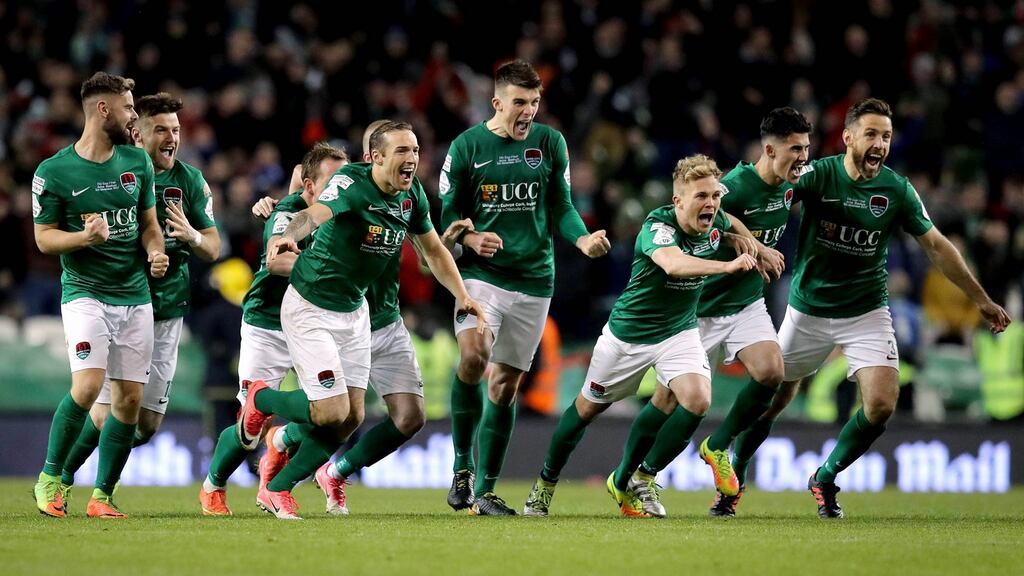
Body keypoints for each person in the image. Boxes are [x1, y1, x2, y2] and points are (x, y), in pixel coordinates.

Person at [238, 121, 485, 519]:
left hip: (357, 311)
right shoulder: (351, 183)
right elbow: (315, 213)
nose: (413, 159)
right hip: (311, 305)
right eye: (403, 151)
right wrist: (291, 234)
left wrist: (464, 295)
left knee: (350, 418)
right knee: (331, 411)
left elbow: (434, 252)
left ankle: (280, 488)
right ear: (377, 157)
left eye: (416, 150)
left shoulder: (411, 196)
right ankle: (260, 398)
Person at [775, 98, 1007, 518]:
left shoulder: (896, 190)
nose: (880, 143)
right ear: (848, 137)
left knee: (881, 403)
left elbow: (936, 245)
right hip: (808, 309)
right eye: (871, 134)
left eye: (885, 135)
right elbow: (774, 190)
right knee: (771, 397)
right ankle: (731, 473)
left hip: (866, 311)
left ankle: (825, 476)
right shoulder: (819, 174)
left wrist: (980, 298)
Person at [522, 154, 758, 517]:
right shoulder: (657, 227)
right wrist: (727, 265)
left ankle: (636, 478)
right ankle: (544, 485)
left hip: (678, 331)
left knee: (696, 400)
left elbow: (731, 223)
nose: (711, 203)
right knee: (586, 409)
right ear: (677, 201)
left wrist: (757, 246)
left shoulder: (716, 221)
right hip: (629, 335)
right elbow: (674, 264)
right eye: (701, 197)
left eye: (715, 195)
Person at [440, 59, 610, 515]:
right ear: (497, 102)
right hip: (481, 277)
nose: (528, 111)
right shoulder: (466, 147)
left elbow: (562, 206)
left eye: (534, 102)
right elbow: (446, 216)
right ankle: (462, 468)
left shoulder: (551, 143)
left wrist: (582, 238)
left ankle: (488, 490)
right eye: (519, 102)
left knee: (505, 387)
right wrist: (472, 237)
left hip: (535, 281)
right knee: (474, 355)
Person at [635, 107, 811, 517]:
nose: (803, 158)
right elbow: (713, 217)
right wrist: (753, 242)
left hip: (745, 302)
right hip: (701, 305)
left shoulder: (788, 185)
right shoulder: (734, 185)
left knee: (771, 372)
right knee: (666, 401)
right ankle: (638, 474)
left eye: (806, 148)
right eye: (795, 149)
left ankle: (718, 445)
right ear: (770, 149)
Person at [58, 92, 221, 505]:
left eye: (177, 130)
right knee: (109, 406)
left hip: (168, 311)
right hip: (122, 304)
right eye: (161, 129)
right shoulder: (119, 173)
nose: (172, 138)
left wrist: (192, 236)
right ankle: (63, 478)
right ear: (137, 132)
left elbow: (214, 248)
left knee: (145, 425)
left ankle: (71, 474)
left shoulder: (191, 181)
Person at [31, 72, 167, 518]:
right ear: (102, 109)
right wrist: (84, 239)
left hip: (135, 296)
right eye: (129, 108)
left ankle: (102, 496)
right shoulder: (53, 171)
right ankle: (51, 477)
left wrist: (155, 252)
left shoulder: (137, 162)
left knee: (128, 399)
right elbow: (44, 238)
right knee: (88, 387)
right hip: (85, 293)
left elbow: (149, 226)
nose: (135, 116)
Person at [198, 142, 348, 516]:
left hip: (315, 321)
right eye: (332, 180)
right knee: (248, 430)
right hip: (269, 324)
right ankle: (214, 484)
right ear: (309, 185)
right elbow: (279, 259)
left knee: (337, 410)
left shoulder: (348, 210)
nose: (341, 187)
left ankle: (281, 442)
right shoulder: (286, 214)